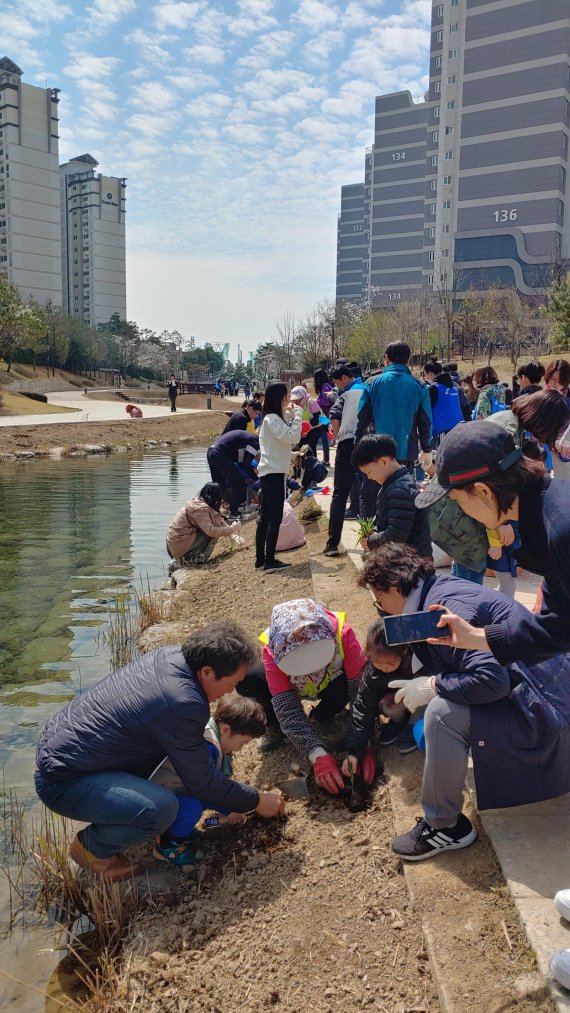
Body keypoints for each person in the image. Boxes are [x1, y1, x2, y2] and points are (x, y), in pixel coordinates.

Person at [358, 544, 570, 861]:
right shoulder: (434, 590)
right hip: (546, 687)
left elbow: (492, 681)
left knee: (442, 715)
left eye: (379, 598)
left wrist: (433, 685)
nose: (380, 607)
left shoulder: (439, 611)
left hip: (544, 711)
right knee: (442, 697)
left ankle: (445, 825)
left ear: (392, 587)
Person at [34, 624, 285, 880]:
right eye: (232, 683)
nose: (231, 691)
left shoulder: (171, 656)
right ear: (208, 672)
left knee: (160, 801)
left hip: (67, 752)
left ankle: (123, 819)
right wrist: (255, 800)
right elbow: (201, 781)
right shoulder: (184, 703)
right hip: (64, 782)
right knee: (161, 809)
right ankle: (92, 849)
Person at [415, 420, 570, 665]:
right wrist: (474, 636)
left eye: (457, 501)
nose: (462, 511)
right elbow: (558, 625)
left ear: (483, 491)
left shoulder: (562, 530)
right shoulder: (545, 517)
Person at [238, 598, 368, 787]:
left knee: (353, 682)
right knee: (250, 678)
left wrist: (364, 742)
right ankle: (274, 726)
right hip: (295, 688)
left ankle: (323, 715)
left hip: (333, 682)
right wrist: (316, 754)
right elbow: (288, 709)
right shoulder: (273, 650)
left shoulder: (343, 634)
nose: (309, 673)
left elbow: (361, 693)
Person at [150, 694, 267, 869]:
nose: (240, 749)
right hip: (155, 801)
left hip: (168, 790)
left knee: (195, 803)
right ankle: (167, 845)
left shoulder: (208, 731)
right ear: (226, 730)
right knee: (193, 806)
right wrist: (231, 809)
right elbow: (208, 789)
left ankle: (177, 829)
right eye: (242, 743)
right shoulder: (207, 748)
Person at [343, 619, 416, 763]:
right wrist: (355, 751)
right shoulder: (372, 673)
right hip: (398, 700)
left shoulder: (416, 661)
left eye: (390, 663)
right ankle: (399, 724)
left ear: (404, 651)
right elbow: (363, 707)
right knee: (388, 706)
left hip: (420, 700)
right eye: (377, 662)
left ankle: (413, 727)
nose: (384, 668)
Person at [355, 341, 433, 472]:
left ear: (386, 358)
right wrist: (427, 449)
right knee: (401, 490)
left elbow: (361, 418)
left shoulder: (371, 383)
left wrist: (357, 444)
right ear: (408, 360)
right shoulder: (420, 386)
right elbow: (425, 421)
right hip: (406, 450)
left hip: (375, 450)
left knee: (373, 490)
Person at [351, 434, 432, 558]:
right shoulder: (393, 484)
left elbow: (397, 535)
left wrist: (372, 541)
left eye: (369, 472)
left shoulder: (400, 490)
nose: (369, 477)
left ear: (383, 461)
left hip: (412, 564)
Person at [255, 381, 303, 574]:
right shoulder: (272, 419)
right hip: (273, 474)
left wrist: (289, 416)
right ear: (279, 397)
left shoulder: (272, 418)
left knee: (265, 518)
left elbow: (279, 445)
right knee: (274, 518)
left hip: (270, 472)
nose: (288, 398)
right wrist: (298, 415)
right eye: (286, 394)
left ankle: (261, 560)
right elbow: (293, 438)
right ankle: (269, 561)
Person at [323, 364, 364, 557]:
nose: (338, 386)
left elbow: (334, 416)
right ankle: (370, 542)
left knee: (339, 494)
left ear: (345, 378)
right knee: (371, 494)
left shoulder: (345, 395)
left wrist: (338, 436)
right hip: (368, 443)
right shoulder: (368, 390)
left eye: (338, 382)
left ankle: (332, 544)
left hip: (347, 444)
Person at [166, 482, 235, 570]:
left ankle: (188, 557)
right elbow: (211, 530)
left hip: (174, 542)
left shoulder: (198, 502)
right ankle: (196, 559)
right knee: (214, 533)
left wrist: (230, 533)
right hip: (178, 543)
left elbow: (218, 519)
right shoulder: (200, 509)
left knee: (218, 529)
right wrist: (228, 530)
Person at [207, 430, 259, 519]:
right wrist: (256, 479)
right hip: (219, 454)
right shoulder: (255, 442)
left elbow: (243, 464)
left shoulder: (247, 439)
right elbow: (247, 465)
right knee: (239, 483)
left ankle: (213, 514)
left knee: (219, 486)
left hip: (211, 452)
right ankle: (233, 513)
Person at [423, 360, 470, 437]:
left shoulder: (434, 388)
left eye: (425, 375)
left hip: (441, 432)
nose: (425, 378)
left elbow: (425, 410)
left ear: (430, 373)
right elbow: (466, 407)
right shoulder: (455, 386)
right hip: (459, 429)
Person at [290, 385, 327, 456]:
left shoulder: (311, 402)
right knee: (301, 444)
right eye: (294, 400)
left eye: (298, 399)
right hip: (308, 427)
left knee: (311, 445)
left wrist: (306, 428)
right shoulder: (295, 406)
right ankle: (302, 463)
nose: (296, 401)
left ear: (303, 396)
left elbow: (316, 419)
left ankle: (313, 462)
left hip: (318, 426)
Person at [314, 368, 334, 465]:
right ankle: (326, 459)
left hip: (325, 413)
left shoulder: (326, 386)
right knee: (323, 436)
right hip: (324, 413)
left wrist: (317, 401)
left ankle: (326, 460)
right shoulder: (325, 385)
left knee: (323, 435)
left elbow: (327, 400)